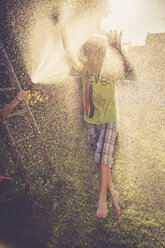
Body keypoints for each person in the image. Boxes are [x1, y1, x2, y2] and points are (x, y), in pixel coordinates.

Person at [61, 25, 136, 218]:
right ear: (86, 55)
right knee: (101, 161)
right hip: (91, 120)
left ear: (105, 55)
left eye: (100, 55)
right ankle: (113, 192)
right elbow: (68, 49)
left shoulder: (110, 70)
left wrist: (119, 49)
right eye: (91, 55)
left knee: (103, 159)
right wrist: (63, 28)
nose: (95, 60)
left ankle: (102, 201)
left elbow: (130, 74)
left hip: (109, 119)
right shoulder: (83, 67)